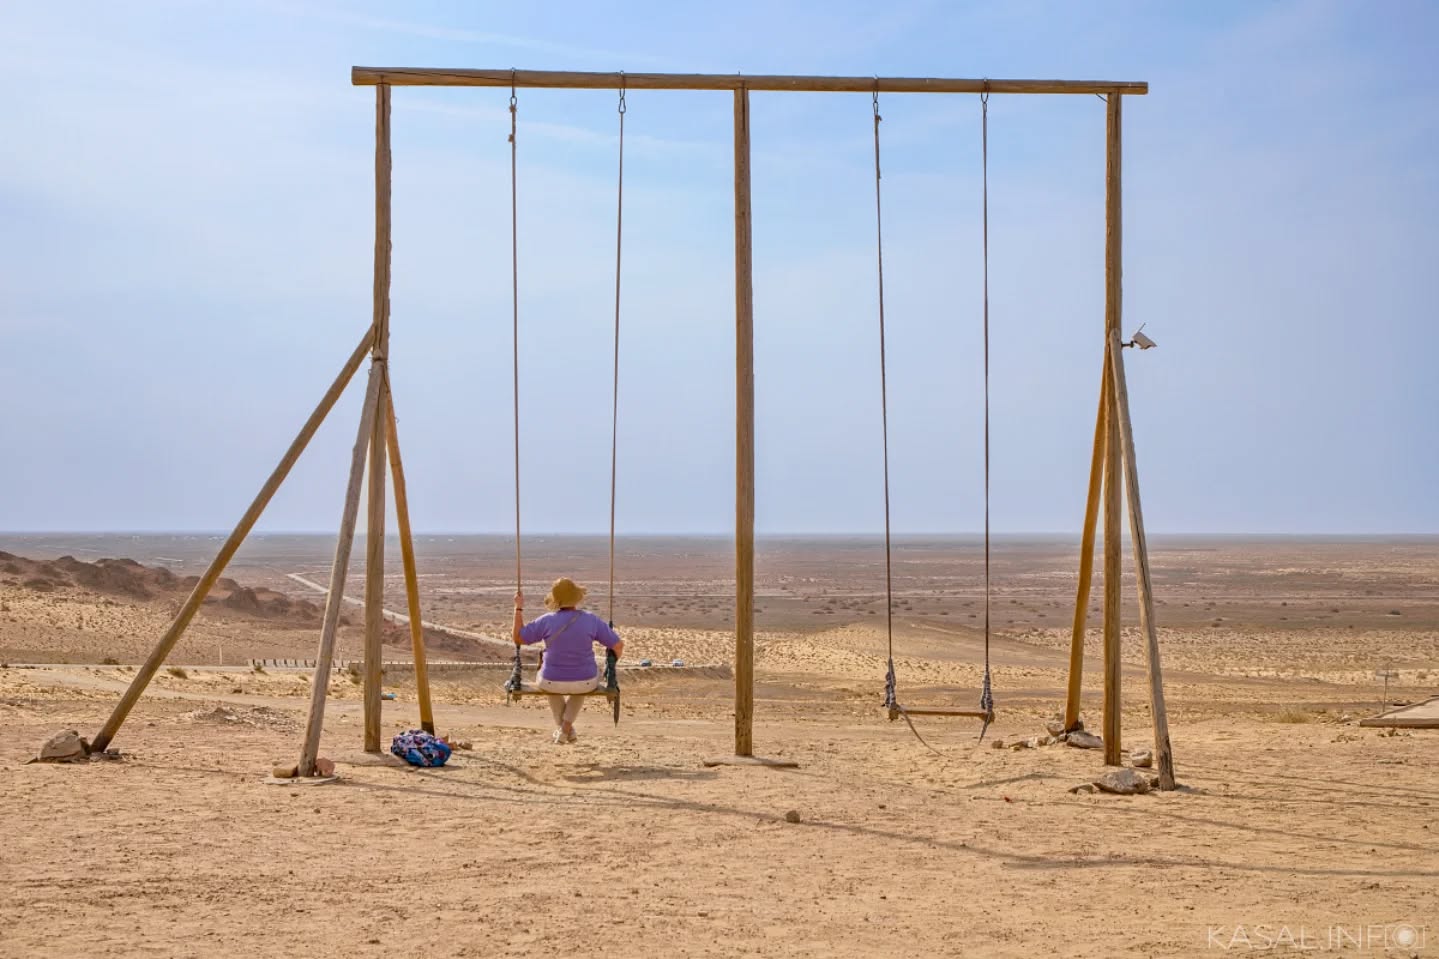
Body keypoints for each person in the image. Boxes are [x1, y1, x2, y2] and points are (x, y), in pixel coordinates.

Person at [513, 577, 623, 745]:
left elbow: (518, 638)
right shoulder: (591, 620)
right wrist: (613, 663)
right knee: (581, 685)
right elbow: (617, 645)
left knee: (549, 684)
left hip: (550, 681)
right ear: (576, 598)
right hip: (585, 681)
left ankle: (564, 729)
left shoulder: (546, 620)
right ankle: (566, 728)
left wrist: (518, 608)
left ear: (556, 600)